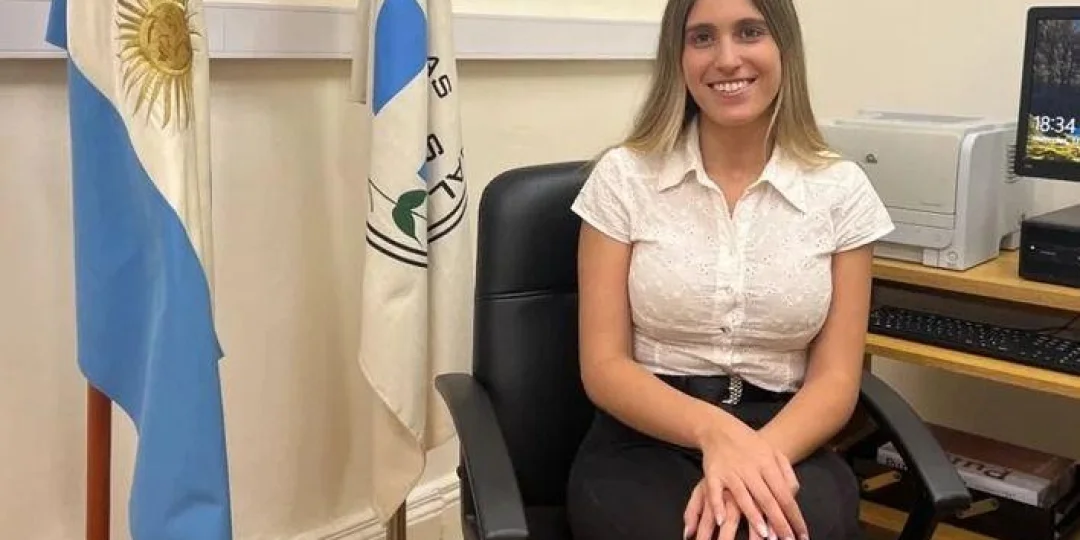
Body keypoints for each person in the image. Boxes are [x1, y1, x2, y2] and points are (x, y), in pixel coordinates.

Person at [565, 0, 895, 539]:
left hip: (787, 435)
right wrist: (715, 434)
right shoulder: (623, 178)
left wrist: (752, 459)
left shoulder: (842, 191)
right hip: (646, 434)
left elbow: (836, 380)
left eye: (749, 32)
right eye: (702, 38)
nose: (726, 58)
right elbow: (604, 366)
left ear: (783, 47)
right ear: (678, 57)